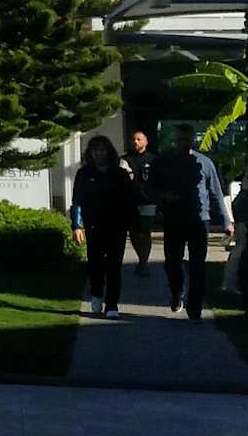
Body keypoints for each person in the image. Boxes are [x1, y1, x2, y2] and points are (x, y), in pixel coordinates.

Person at [148, 123, 232, 320]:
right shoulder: (163, 161)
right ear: (174, 139)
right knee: (172, 262)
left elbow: (216, 192)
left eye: (186, 139)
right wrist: (163, 197)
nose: (183, 142)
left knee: (197, 265)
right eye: (180, 139)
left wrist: (226, 220)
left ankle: (195, 307)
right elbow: (150, 188)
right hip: (173, 219)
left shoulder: (205, 162)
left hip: (199, 219)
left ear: (193, 139)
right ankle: (177, 291)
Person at [69, 136, 136, 318]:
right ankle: (96, 293)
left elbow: (129, 201)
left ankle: (112, 304)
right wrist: (76, 226)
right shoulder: (84, 174)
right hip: (93, 226)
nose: (99, 154)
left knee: (114, 265)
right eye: (95, 150)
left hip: (116, 226)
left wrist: (130, 223)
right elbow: (77, 201)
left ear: (108, 152)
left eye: (102, 150)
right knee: (95, 264)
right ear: (90, 153)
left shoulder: (120, 174)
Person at [123, 128, 158, 278]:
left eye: (139, 139)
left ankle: (143, 262)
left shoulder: (153, 160)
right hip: (129, 202)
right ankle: (141, 258)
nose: (135, 142)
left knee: (145, 231)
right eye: (133, 139)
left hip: (147, 201)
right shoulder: (124, 160)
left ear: (146, 142)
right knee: (134, 232)